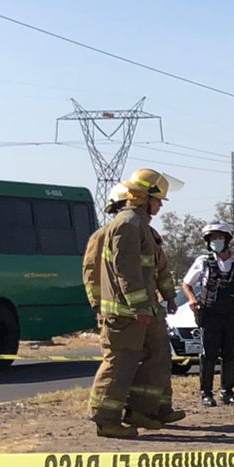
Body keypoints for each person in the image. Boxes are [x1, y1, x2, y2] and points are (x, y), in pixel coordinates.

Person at [87, 169, 186, 437]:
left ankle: (143, 410)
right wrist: (139, 306)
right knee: (120, 364)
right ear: (144, 198)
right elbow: (127, 270)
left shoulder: (140, 226)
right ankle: (106, 420)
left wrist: (167, 296)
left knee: (157, 357)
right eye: (159, 199)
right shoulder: (127, 224)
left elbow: (155, 268)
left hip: (145, 311)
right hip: (126, 314)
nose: (161, 205)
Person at [181, 222, 234, 406]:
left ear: (228, 240)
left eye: (219, 237)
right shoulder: (203, 262)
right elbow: (186, 284)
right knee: (208, 354)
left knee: (230, 354)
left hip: (233, 315)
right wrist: (192, 299)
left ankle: (227, 392)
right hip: (210, 315)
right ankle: (206, 394)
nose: (215, 241)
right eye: (212, 238)